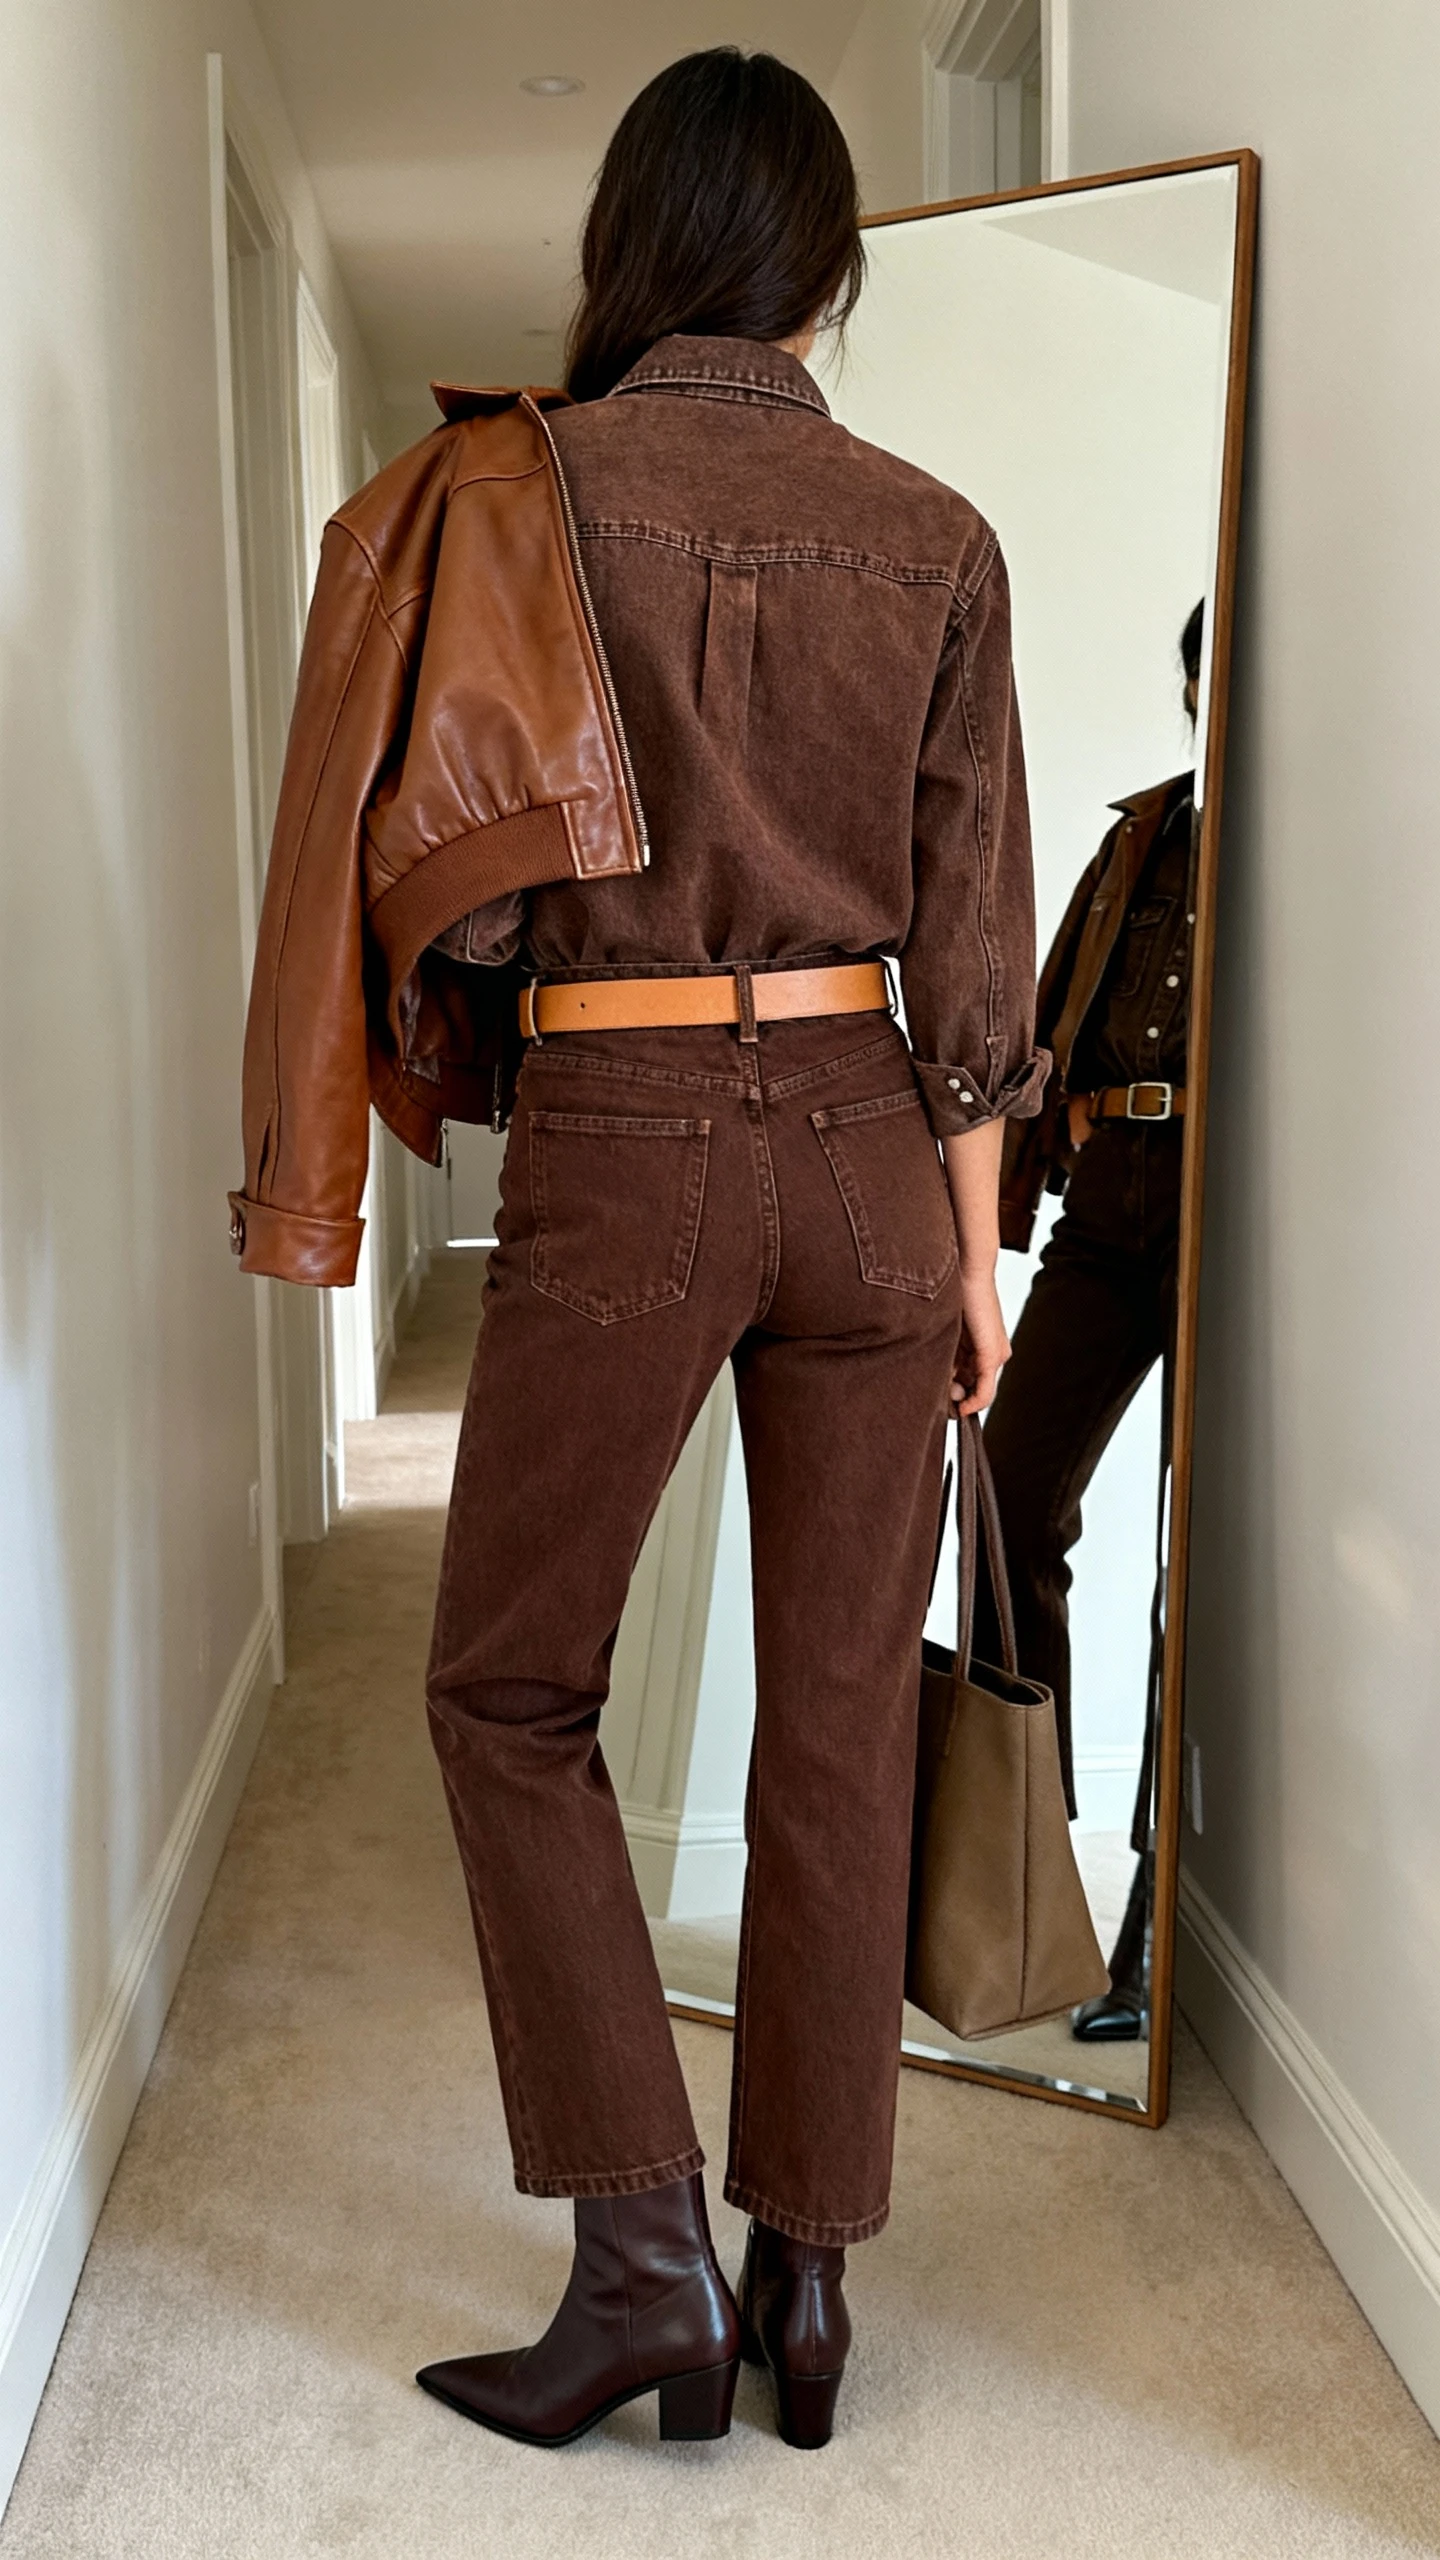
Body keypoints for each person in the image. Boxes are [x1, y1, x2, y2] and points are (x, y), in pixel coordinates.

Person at [360, 50, 1043, 2452]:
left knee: (507, 1689)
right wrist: (979, 1263)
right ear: (832, 269)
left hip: (634, 1118)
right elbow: (979, 973)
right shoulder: (938, 534)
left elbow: (445, 839)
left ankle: (640, 2252)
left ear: (635, 243)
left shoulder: (521, 494)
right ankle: (807, 2284)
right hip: (870, 1143)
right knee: (839, 1725)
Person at [981, 607, 1203, 2044]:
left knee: (1194, 1578)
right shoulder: (1143, 837)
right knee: (1007, 1510)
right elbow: (1052, 1007)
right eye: (1205, 669)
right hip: (1107, 1217)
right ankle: (1028, 1878)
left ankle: (1150, 1931)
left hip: (1237, 1234)